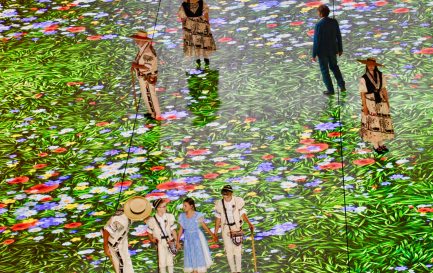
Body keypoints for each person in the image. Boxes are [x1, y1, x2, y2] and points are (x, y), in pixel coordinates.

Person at [103, 196, 152, 273]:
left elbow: (144, 216)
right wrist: (105, 246)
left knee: (127, 263)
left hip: (122, 239)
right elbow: (106, 231)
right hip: (115, 243)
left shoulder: (131, 209)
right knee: (121, 266)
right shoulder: (120, 219)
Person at [214, 185, 254, 273]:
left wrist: (249, 223)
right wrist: (215, 233)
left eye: (227, 194)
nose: (225, 196)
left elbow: (242, 213)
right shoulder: (219, 204)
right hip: (226, 229)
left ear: (231, 193)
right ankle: (233, 271)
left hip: (236, 228)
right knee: (228, 251)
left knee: (238, 250)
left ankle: (238, 271)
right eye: (223, 195)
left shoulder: (238, 201)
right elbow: (218, 219)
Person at [358, 58, 394, 154]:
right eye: (369, 65)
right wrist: (365, 106)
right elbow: (362, 93)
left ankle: (381, 143)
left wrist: (387, 101)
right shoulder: (364, 78)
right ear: (366, 65)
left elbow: (384, 89)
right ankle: (375, 144)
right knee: (374, 122)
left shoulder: (381, 75)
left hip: (380, 100)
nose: (370, 66)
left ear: (375, 65)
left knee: (382, 121)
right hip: (370, 102)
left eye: (372, 65)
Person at [312, 4, 346, 95]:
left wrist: (314, 54)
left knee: (325, 70)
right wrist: (340, 49)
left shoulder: (319, 25)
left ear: (321, 13)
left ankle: (330, 90)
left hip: (322, 52)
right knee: (335, 67)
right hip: (333, 50)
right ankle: (342, 86)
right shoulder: (334, 22)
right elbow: (338, 36)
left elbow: (316, 41)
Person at [176, 197, 216, 273]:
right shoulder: (182, 216)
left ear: (191, 206)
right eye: (183, 205)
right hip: (188, 239)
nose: (184, 207)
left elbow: (204, 226)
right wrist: (177, 241)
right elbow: (181, 229)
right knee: (190, 256)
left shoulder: (198, 215)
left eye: (185, 205)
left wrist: (212, 235)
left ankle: (197, 270)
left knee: (198, 255)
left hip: (197, 238)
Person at [131, 31, 161, 119]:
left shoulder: (147, 52)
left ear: (142, 40)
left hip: (147, 77)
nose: (136, 41)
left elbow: (147, 67)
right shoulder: (145, 48)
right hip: (145, 76)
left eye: (137, 39)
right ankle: (152, 113)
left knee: (150, 96)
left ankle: (156, 115)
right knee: (147, 95)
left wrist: (135, 65)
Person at [178, 0, 217, 69]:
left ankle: (199, 60)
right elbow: (206, 14)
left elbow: (182, 18)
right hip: (199, 24)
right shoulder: (200, 2)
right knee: (202, 41)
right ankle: (204, 59)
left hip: (191, 25)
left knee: (196, 41)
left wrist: (184, 26)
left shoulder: (184, 4)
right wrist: (207, 23)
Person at [146, 199, 178, 273]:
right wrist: (152, 239)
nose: (165, 208)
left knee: (170, 261)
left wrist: (176, 241)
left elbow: (173, 230)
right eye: (163, 207)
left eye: (165, 206)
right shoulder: (152, 220)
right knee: (162, 262)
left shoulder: (169, 217)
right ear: (157, 208)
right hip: (160, 242)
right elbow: (149, 232)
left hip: (170, 241)